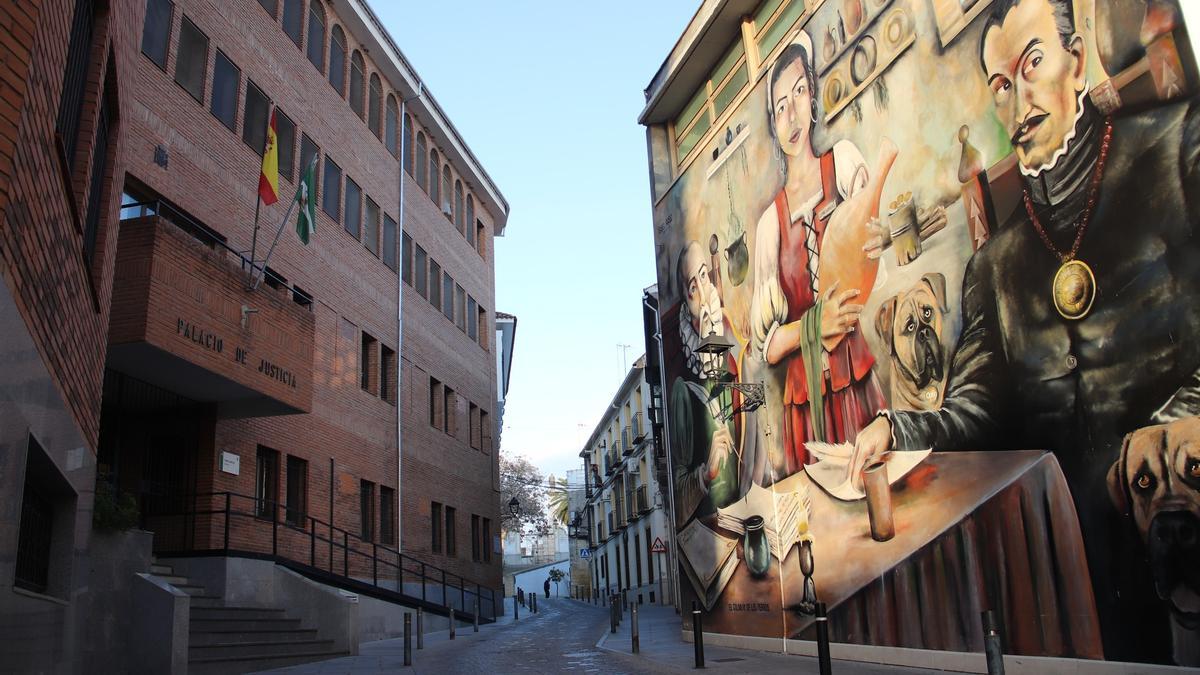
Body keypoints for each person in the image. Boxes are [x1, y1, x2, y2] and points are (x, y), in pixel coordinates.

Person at [849, 0, 1200, 661]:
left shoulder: (1178, 148)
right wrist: (894, 429)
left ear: (1077, 59)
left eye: (1032, 61)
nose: (1018, 96)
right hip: (1073, 574)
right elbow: (975, 414)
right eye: (1001, 85)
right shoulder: (995, 266)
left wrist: (1181, 424)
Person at [750, 31, 895, 477]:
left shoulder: (844, 163)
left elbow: (874, 252)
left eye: (798, 92)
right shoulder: (769, 224)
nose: (791, 112)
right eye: (779, 107)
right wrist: (814, 326)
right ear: (774, 126)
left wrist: (881, 237)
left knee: (874, 490)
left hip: (855, 376)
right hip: (805, 402)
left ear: (812, 94)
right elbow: (768, 345)